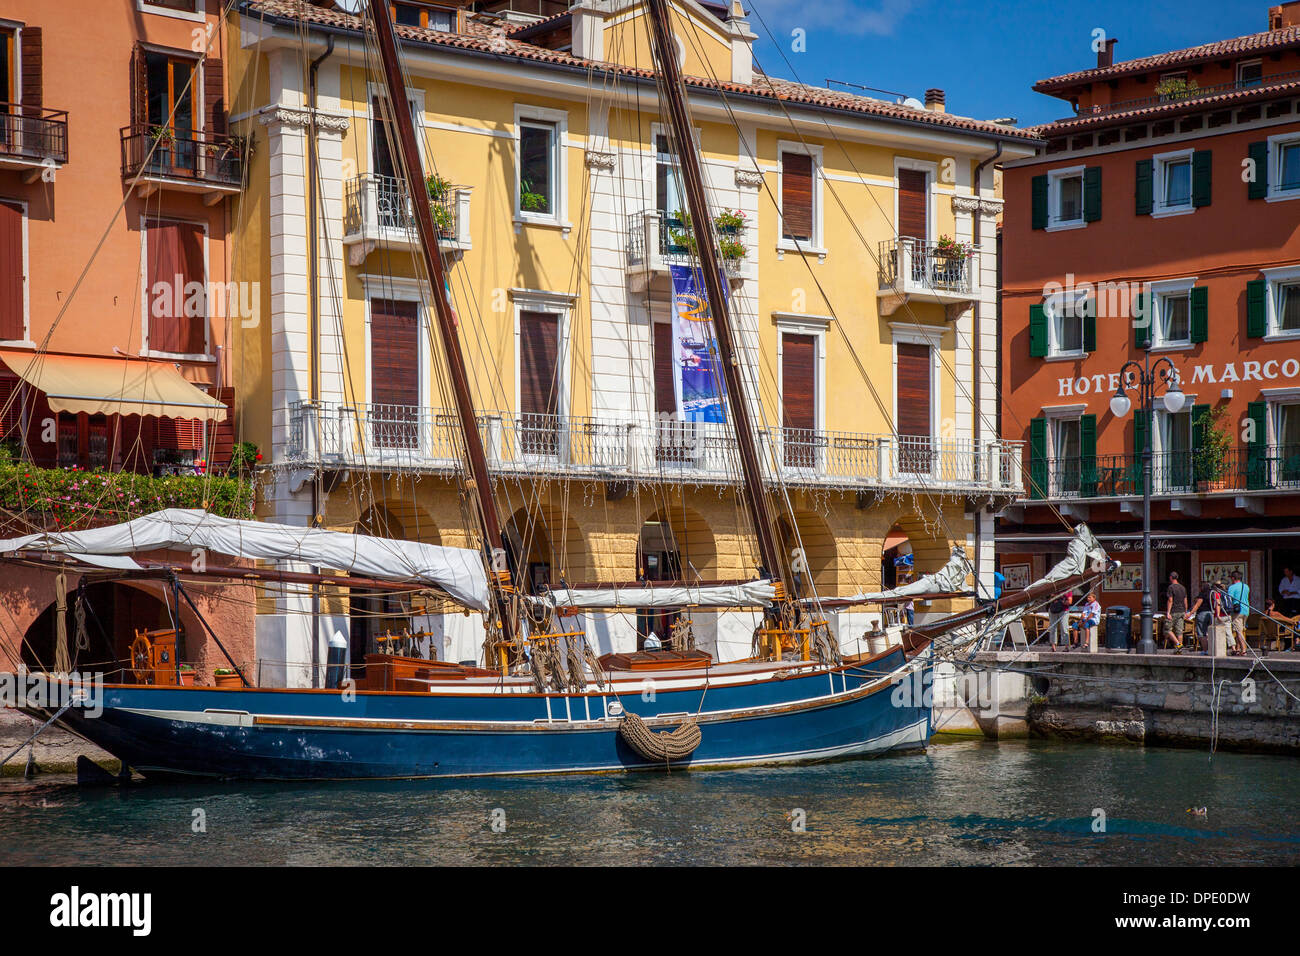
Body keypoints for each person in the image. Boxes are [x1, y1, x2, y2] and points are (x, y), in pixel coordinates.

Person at [1227, 570, 1251, 656]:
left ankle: (1244, 650)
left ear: (1233, 578)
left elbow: (1229, 599)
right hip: (1246, 611)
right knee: (1240, 630)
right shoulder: (1246, 586)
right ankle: (1238, 649)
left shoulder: (1232, 587)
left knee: (1238, 631)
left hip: (1237, 611)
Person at [1163, 571, 1188, 651]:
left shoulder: (1171, 587)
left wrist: (1168, 612)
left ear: (1171, 577)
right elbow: (1185, 601)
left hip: (1174, 611)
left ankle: (1178, 644)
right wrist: (1185, 611)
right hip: (1182, 611)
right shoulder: (1182, 588)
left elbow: (1170, 600)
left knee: (1167, 629)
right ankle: (1179, 650)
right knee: (1179, 631)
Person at [1189, 579, 1216, 652]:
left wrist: (1190, 613)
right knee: (1211, 633)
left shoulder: (1202, 594)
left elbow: (1197, 605)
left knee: (1202, 633)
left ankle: (1205, 650)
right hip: (1211, 613)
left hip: (1202, 614)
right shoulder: (1212, 593)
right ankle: (1212, 649)